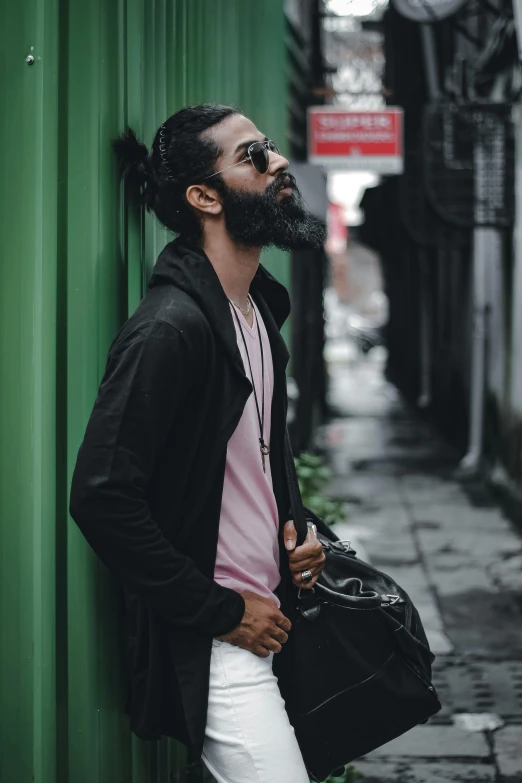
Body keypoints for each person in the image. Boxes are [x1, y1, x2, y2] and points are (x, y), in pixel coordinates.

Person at [69, 104, 336, 783]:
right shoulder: (170, 330)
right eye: (253, 155)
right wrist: (220, 612)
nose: (277, 162)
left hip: (270, 622)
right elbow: (101, 496)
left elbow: (253, 466)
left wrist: (301, 530)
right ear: (204, 196)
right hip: (217, 644)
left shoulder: (256, 312)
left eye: (271, 148)